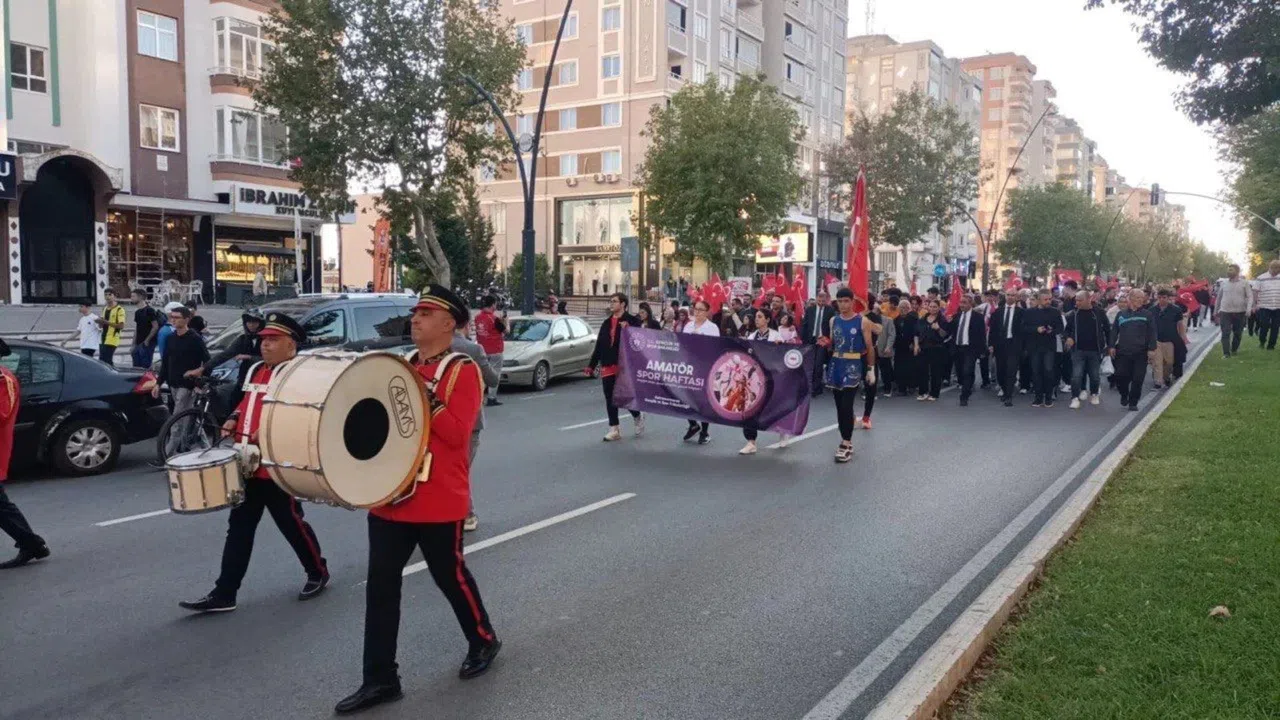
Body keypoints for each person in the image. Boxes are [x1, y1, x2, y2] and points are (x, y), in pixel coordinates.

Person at [335, 286, 499, 715]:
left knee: (450, 577)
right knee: (381, 588)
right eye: (416, 313)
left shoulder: (461, 370)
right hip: (392, 495)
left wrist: (423, 395)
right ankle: (380, 679)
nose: (416, 319)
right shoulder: (402, 365)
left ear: (449, 323)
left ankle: (483, 639)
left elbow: (458, 434)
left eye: (426, 313)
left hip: (438, 496)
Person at [178, 312, 328, 613]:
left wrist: (272, 429)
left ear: (291, 344)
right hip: (248, 462)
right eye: (263, 340)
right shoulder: (258, 370)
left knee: (291, 523)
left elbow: (306, 416)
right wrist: (233, 418)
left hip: (277, 464)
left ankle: (317, 572)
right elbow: (247, 402)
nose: (265, 345)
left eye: (273, 340)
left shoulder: (298, 375)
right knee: (239, 528)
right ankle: (225, 592)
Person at [0, 339, 51, 569]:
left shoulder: (4, 380)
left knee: (2, 506)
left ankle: (32, 543)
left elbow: (2, 414)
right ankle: (31, 543)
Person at [451, 329, 500, 533]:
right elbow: (493, 380)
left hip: (434, 418)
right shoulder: (472, 349)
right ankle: (467, 514)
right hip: (469, 420)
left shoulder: (427, 347)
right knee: (460, 470)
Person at [823, 288, 876, 463]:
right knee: (839, 406)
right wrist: (826, 343)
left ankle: (846, 443)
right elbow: (833, 343)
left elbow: (869, 347)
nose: (843, 304)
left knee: (847, 405)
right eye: (840, 301)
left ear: (852, 302)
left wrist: (871, 369)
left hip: (853, 365)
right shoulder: (833, 320)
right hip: (836, 364)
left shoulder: (863, 321)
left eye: (846, 301)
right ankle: (846, 437)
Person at [586, 293, 644, 442]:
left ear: (623, 304)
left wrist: (628, 329)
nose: (611, 304)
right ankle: (614, 429)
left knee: (624, 396)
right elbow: (599, 345)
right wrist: (592, 366)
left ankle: (637, 415)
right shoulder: (606, 323)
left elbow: (641, 340)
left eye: (614, 301)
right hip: (607, 363)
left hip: (624, 364)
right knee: (610, 397)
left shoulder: (633, 320)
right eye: (610, 301)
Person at [155, 305, 210, 456]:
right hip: (173, 383)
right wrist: (158, 383)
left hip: (187, 385)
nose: (173, 320)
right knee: (188, 418)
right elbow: (166, 363)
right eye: (172, 317)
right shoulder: (171, 338)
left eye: (177, 317)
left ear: (186, 319)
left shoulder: (195, 339)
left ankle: (167, 454)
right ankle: (206, 448)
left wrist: (200, 380)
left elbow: (208, 362)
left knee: (176, 420)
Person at [739, 309, 784, 455]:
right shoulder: (752, 336)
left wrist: (780, 346)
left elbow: (783, 356)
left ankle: (783, 429)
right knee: (749, 408)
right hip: (753, 377)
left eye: (760, 317)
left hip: (770, 376)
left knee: (773, 406)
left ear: (768, 319)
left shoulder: (776, 336)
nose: (757, 319)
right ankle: (751, 441)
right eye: (756, 317)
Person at [1109, 290, 1157, 411]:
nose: (1141, 300)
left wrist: (1152, 348)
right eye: (1137, 298)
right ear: (1130, 298)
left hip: (1141, 352)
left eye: (1142, 298)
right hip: (1123, 352)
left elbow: (1152, 333)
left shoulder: (1147, 314)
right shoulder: (1121, 315)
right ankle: (1124, 394)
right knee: (1120, 376)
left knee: (1138, 378)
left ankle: (1133, 402)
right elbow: (1114, 331)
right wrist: (1111, 346)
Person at [681, 300, 719, 444]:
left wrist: (701, 340)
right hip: (689, 365)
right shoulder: (688, 325)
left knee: (702, 401)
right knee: (685, 397)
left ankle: (704, 431)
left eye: (701, 310)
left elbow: (714, 346)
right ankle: (693, 424)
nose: (697, 312)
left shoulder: (712, 327)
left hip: (704, 366)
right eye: (695, 309)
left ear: (707, 312)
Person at [1064, 290, 1110, 409]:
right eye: (1076, 300)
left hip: (1095, 350)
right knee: (1076, 375)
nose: (1077, 303)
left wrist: (1110, 346)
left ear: (1089, 299)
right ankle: (1075, 397)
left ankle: (1094, 393)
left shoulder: (1099, 312)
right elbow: (1067, 329)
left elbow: (1107, 329)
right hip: (1078, 350)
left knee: (1094, 375)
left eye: (1080, 300)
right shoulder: (1073, 314)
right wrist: (1068, 338)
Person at [1021, 290, 1063, 408]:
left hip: (1049, 346)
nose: (1048, 301)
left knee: (1048, 371)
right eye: (1046, 299)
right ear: (1039, 299)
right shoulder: (1029, 312)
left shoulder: (1055, 312)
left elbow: (1060, 327)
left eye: (1050, 299)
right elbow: (1023, 327)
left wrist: (1051, 331)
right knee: (1036, 371)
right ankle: (1038, 397)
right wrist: (1036, 329)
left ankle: (1048, 397)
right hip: (1034, 346)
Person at [858, 295, 892, 428]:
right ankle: (850, 415)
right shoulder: (851, 316)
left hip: (869, 355)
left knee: (870, 386)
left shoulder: (874, 316)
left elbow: (878, 329)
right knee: (849, 387)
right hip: (852, 355)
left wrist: (863, 319)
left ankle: (866, 417)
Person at [950, 294, 987, 407]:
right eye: (961, 302)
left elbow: (982, 335)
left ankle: (964, 396)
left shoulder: (978, 317)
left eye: (965, 302)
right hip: (958, 348)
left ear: (971, 304)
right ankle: (968, 385)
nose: (962, 305)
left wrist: (982, 350)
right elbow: (950, 331)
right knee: (961, 372)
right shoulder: (956, 316)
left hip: (971, 349)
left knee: (967, 370)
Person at [990, 290, 1024, 407]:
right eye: (1008, 295)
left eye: (1013, 295)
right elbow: (993, 330)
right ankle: (1004, 390)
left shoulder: (1021, 312)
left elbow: (1023, 331)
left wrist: (1022, 347)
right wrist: (991, 345)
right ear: (1005, 296)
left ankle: (1009, 396)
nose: (1010, 297)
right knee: (1001, 371)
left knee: (1011, 370)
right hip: (1000, 345)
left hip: (1014, 345)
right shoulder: (998, 312)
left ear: (1016, 297)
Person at [913, 298, 949, 401]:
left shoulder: (942, 320)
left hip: (937, 348)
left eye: (935, 307)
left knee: (935, 372)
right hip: (923, 348)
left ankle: (934, 393)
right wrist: (916, 345)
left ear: (939, 308)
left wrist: (938, 329)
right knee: (922, 371)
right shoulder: (922, 320)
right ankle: (923, 392)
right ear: (928, 307)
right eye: (931, 306)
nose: (932, 309)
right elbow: (916, 334)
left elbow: (945, 335)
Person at [473, 296, 506, 408]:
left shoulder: (477, 317)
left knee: (481, 375)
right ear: (492, 305)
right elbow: (505, 331)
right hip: (495, 350)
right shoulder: (494, 319)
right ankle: (491, 398)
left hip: (482, 350)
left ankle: (478, 397)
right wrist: (506, 321)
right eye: (495, 304)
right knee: (494, 374)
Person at [1151, 288, 1187, 389]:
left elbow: (1180, 325)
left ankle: (1166, 377)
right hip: (1156, 340)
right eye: (1159, 297)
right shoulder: (1152, 310)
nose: (1162, 299)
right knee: (1157, 362)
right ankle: (1158, 382)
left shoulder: (1176, 310)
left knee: (1169, 362)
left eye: (1164, 297)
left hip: (1170, 340)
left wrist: (1182, 337)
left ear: (1168, 298)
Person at [802, 291, 835, 397]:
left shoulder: (830, 310)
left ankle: (816, 388)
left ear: (827, 299)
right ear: (816, 298)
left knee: (818, 364)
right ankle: (809, 385)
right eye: (819, 299)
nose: (821, 301)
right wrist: (803, 340)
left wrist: (830, 341)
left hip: (823, 341)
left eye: (823, 299)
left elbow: (832, 327)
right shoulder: (810, 310)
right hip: (810, 340)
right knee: (809, 364)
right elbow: (805, 325)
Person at [1215, 264, 1252, 358]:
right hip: (1225, 311)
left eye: (1231, 270)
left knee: (1238, 333)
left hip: (1240, 312)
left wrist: (1248, 309)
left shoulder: (1244, 283)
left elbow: (1250, 296)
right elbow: (1219, 298)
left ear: (1237, 272)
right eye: (1228, 270)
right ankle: (1226, 353)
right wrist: (1216, 310)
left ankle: (1234, 349)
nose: (1228, 272)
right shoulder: (1224, 283)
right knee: (1225, 332)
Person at [130, 289, 162, 368]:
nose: (131, 298)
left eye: (133, 296)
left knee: (145, 367)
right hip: (138, 343)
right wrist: (133, 344)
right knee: (136, 367)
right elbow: (137, 328)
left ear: (140, 297)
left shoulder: (149, 310)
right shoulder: (137, 312)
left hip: (147, 344)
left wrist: (147, 340)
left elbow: (155, 326)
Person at [1253, 259, 1280, 351]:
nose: (1276, 272)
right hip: (1264, 306)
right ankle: (1262, 341)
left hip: (1278, 306)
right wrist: (1255, 304)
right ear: (1270, 268)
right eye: (1275, 270)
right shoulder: (1261, 278)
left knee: (1275, 327)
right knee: (1264, 325)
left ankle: (1271, 346)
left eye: (1278, 270)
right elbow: (1255, 291)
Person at [892, 299, 917, 397]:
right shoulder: (896, 320)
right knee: (899, 368)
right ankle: (901, 388)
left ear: (909, 308)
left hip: (910, 347)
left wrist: (914, 343)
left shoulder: (913, 318)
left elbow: (917, 332)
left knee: (910, 367)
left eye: (906, 307)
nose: (903, 309)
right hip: (899, 347)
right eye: (901, 307)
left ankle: (911, 386)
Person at [97, 289, 126, 366]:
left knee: (107, 360)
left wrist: (105, 322)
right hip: (103, 338)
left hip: (112, 338)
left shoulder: (119, 309)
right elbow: (102, 325)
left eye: (110, 295)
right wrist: (99, 322)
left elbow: (121, 326)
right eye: (106, 295)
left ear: (114, 296)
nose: (107, 297)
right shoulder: (105, 308)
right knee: (102, 361)